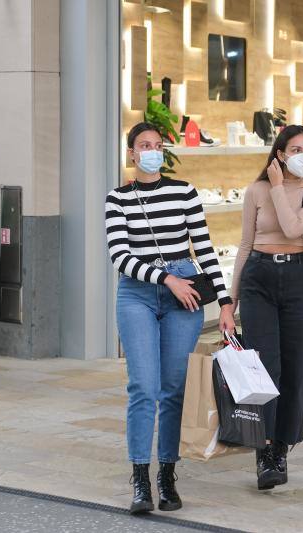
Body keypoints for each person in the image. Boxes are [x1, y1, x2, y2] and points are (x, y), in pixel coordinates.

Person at [106, 122, 235, 514]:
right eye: (144, 145)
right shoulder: (118, 198)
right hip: (138, 293)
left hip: (186, 295)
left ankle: (167, 474)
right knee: (143, 386)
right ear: (131, 153)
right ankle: (140, 478)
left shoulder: (184, 192)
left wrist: (226, 302)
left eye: (157, 145)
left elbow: (205, 249)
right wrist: (166, 279)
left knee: (174, 388)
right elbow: (120, 256)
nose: (151, 150)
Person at [229, 125, 303, 491]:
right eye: (296, 148)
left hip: (298, 280)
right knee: (263, 368)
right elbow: (244, 245)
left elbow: (293, 228)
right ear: (280, 152)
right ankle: (264, 451)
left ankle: (282, 449)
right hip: (258, 277)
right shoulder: (255, 190)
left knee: (293, 368)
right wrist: (230, 301)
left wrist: (277, 187)